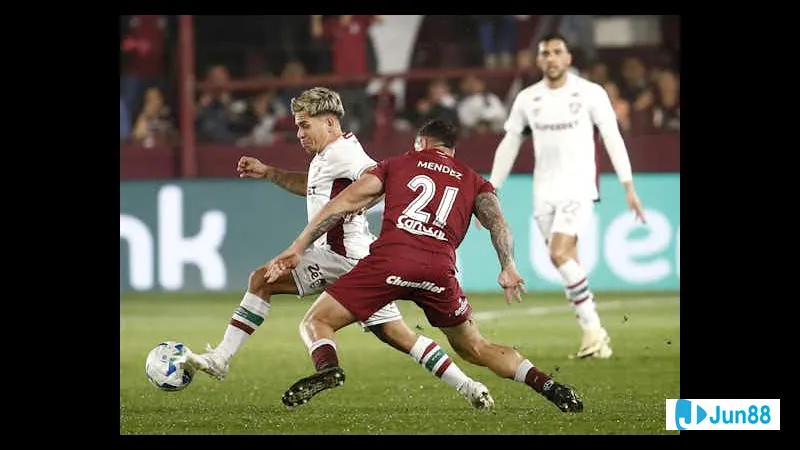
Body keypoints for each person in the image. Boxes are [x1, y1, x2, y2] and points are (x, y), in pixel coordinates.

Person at [187, 87, 494, 410]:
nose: (299, 133)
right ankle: (470, 387)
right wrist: (270, 172)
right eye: (297, 126)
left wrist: (355, 205)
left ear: (331, 123)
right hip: (347, 257)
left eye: (305, 125)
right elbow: (312, 187)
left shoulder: (347, 154)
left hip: (343, 256)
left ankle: (233, 359)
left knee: (264, 281)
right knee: (397, 334)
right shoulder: (328, 157)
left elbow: (380, 182)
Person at [265, 119, 584, 413]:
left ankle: (328, 368)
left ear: (421, 143)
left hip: (390, 261)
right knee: (476, 347)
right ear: (452, 150)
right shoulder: (474, 181)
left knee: (317, 321)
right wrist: (508, 266)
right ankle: (550, 386)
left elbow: (342, 204)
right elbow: (497, 221)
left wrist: (299, 246)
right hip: (438, 271)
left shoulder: (398, 164)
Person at [481, 32, 646, 359]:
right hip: (543, 191)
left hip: (579, 187)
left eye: (558, 52)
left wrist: (628, 186)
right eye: (546, 53)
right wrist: (492, 187)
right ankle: (596, 338)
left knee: (559, 253)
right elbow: (510, 142)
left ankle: (593, 331)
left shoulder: (590, 93)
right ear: (539, 59)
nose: (552, 58)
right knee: (568, 260)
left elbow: (612, 136)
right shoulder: (529, 98)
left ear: (568, 58)